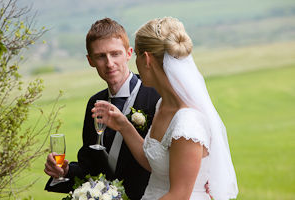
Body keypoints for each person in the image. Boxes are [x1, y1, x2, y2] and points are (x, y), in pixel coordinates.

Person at [93, 17, 238, 200]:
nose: (135, 62)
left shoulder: (187, 123)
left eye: (137, 55)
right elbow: (154, 163)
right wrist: (123, 126)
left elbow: (178, 195)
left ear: (146, 59)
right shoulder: (163, 105)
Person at [44, 18, 161, 200]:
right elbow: (89, 166)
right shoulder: (94, 103)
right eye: (100, 56)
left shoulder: (156, 96)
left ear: (129, 53)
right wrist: (64, 171)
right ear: (90, 60)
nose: (109, 63)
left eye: (115, 54)